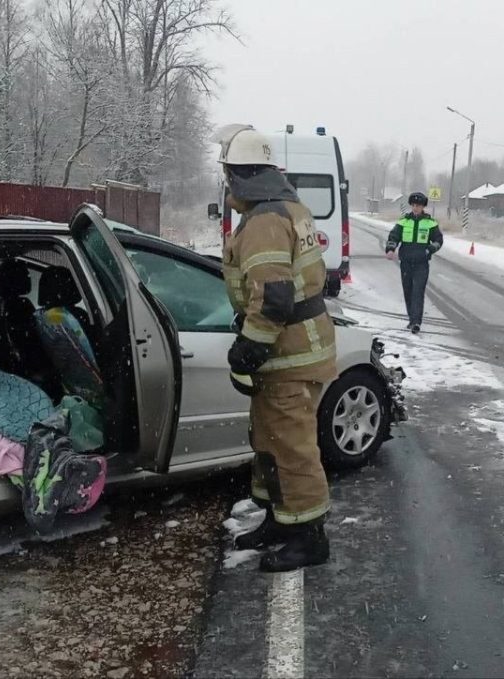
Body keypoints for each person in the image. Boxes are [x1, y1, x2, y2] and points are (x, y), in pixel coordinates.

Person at [213, 123, 337, 572]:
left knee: (292, 448)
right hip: (296, 351)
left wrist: (249, 346)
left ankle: (310, 536)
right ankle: (279, 520)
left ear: (236, 175)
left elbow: (276, 297)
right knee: (269, 439)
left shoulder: (265, 220)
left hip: (290, 355)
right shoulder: (287, 208)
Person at [386, 192, 443, 334]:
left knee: (418, 291)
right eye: (414, 205)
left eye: (419, 205)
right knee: (408, 291)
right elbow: (394, 236)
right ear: (411, 206)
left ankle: (416, 322)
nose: (416, 208)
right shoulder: (403, 221)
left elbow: (438, 240)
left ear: (423, 206)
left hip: (421, 263)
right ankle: (412, 319)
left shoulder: (431, 223)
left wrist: (430, 249)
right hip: (405, 262)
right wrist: (391, 249)